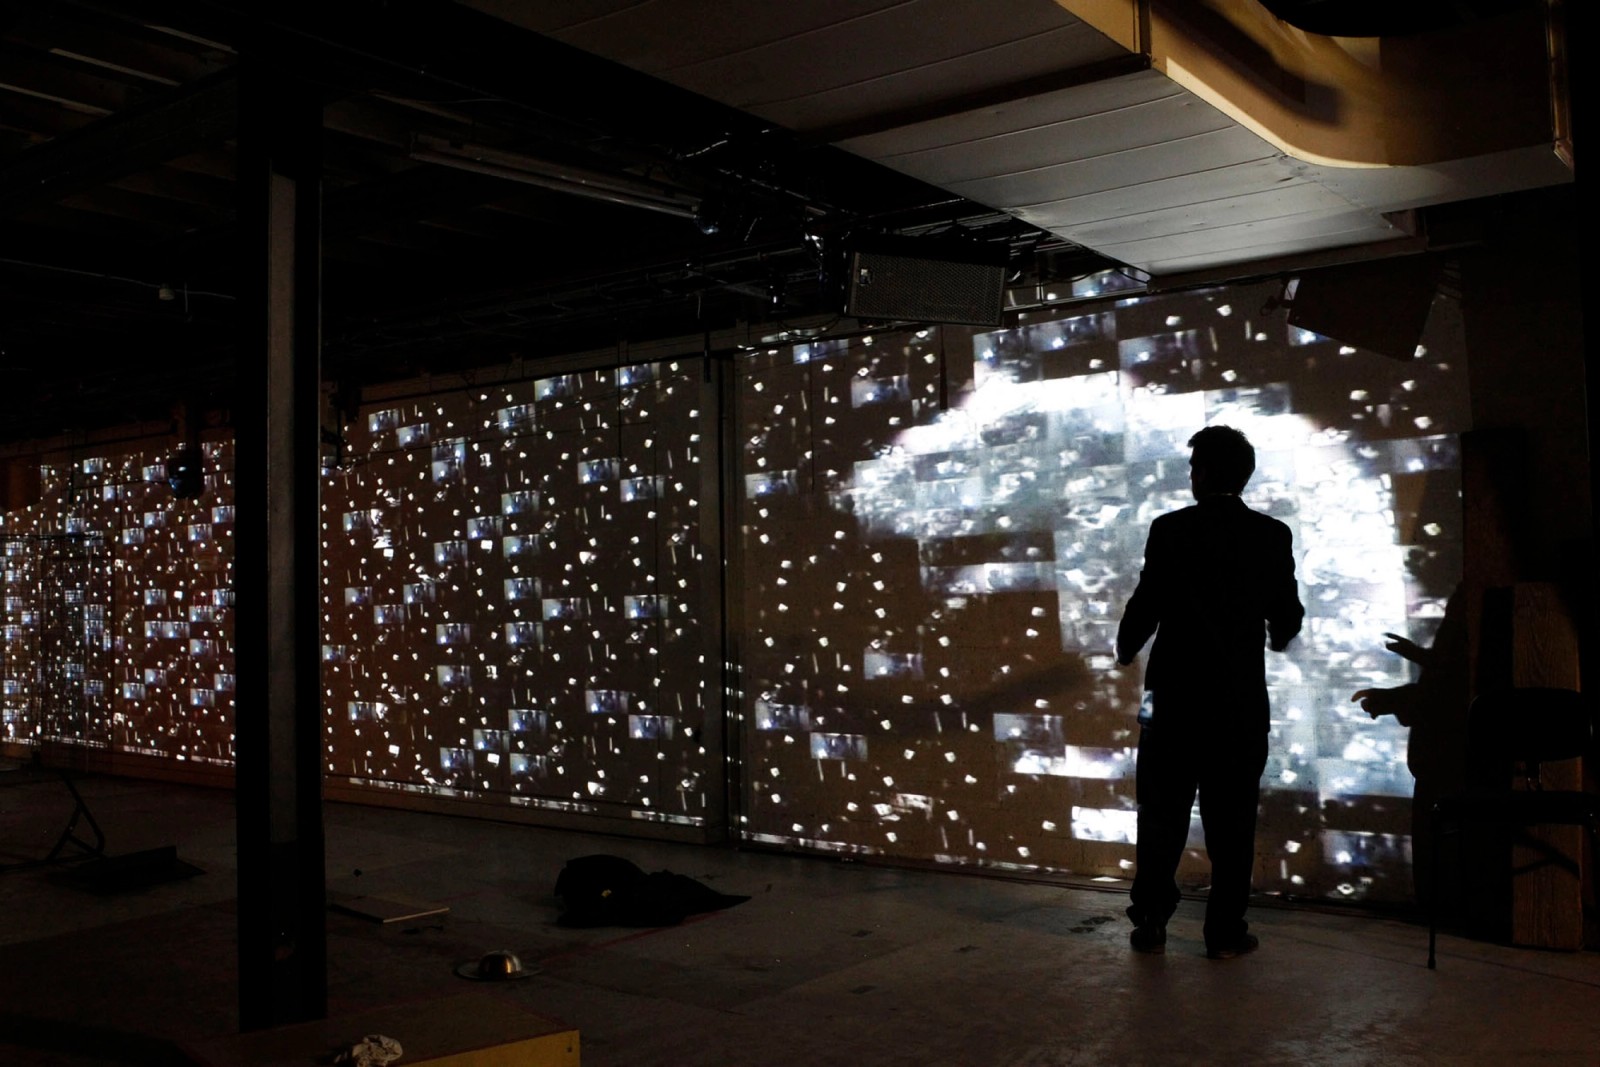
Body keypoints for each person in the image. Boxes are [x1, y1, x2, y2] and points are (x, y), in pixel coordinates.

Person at [1115, 425, 1304, 959]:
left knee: (1160, 813)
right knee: (1233, 822)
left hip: (1167, 700)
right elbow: (1286, 614)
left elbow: (1147, 602)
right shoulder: (1271, 535)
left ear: (1200, 474)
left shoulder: (1170, 529)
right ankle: (1223, 932)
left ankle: (1151, 919)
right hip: (1238, 704)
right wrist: (1278, 635)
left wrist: (1126, 647)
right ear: (1244, 475)